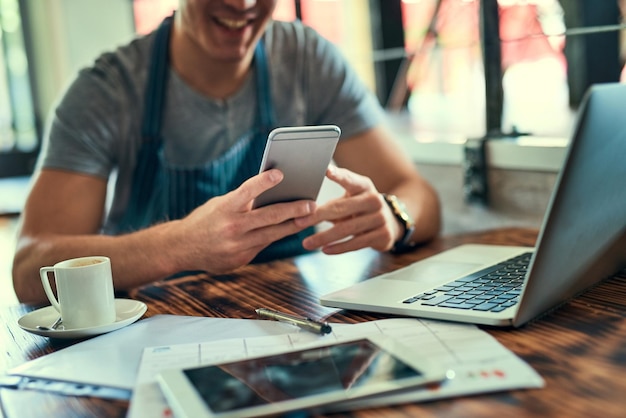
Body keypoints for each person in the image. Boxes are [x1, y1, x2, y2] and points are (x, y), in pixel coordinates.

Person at [12, 0, 441, 304]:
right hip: (153, 327)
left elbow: (419, 195)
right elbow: (32, 268)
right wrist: (179, 245)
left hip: (292, 319)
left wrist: (394, 216)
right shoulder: (108, 90)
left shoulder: (308, 60)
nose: (243, 3)